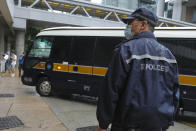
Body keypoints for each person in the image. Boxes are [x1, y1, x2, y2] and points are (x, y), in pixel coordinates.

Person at [96, 8, 180, 131]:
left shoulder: (125, 50)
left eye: (131, 23)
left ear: (143, 25)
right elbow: (174, 93)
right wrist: (167, 122)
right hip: (157, 126)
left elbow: (111, 90)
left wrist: (103, 124)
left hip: (126, 125)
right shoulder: (169, 55)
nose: (128, 27)